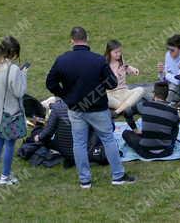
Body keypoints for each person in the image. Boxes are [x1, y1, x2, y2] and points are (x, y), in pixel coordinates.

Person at [45, 27, 136, 188]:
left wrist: (66, 96)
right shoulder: (98, 60)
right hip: (98, 108)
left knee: (79, 143)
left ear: (72, 40)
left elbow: (50, 83)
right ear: (88, 38)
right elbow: (112, 83)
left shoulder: (62, 60)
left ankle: (85, 180)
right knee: (108, 139)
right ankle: (117, 176)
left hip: (75, 108)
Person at [0, 36, 28, 186]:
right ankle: (5, 176)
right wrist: (24, 75)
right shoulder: (13, 69)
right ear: (13, 52)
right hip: (10, 113)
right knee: (10, 144)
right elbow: (19, 92)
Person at [122, 81, 180, 159]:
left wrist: (135, 129)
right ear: (167, 95)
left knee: (126, 133)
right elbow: (174, 130)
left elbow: (126, 112)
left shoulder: (144, 105)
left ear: (154, 94)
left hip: (145, 152)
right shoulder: (173, 111)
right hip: (166, 151)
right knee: (175, 127)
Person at [104, 40, 145, 117]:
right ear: (109, 52)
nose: (118, 54)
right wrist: (116, 75)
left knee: (141, 90)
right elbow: (105, 83)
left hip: (124, 92)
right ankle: (126, 107)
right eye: (116, 52)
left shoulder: (121, 59)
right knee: (103, 97)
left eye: (120, 51)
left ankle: (117, 111)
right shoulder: (104, 64)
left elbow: (125, 67)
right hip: (112, 95)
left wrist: (131, 69)